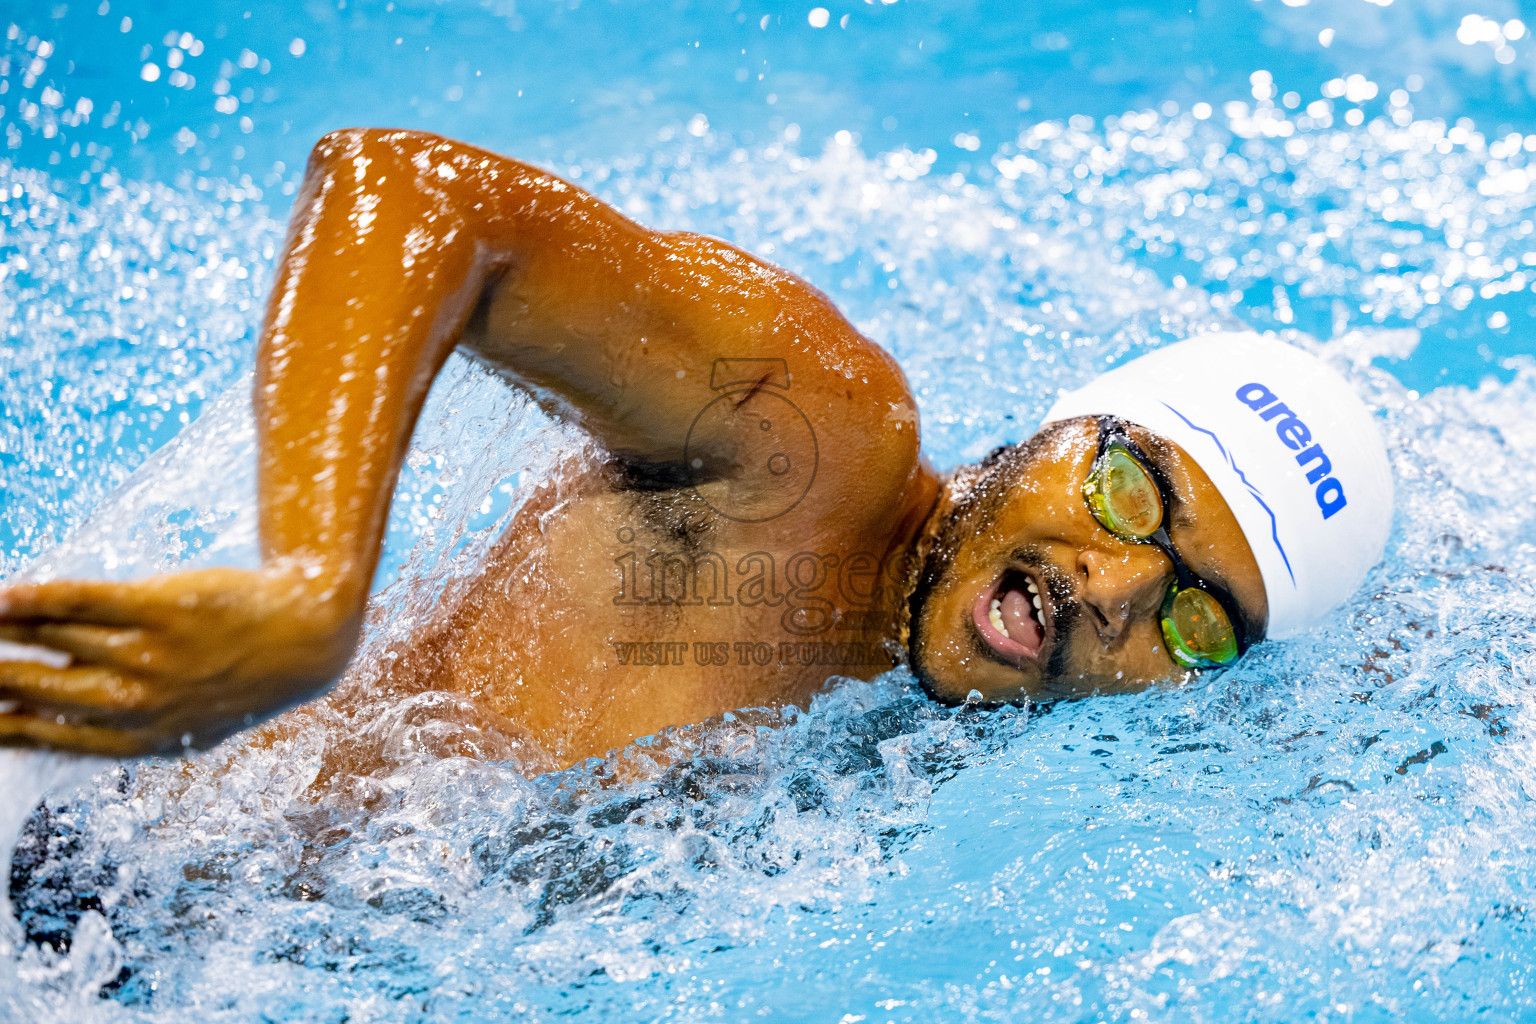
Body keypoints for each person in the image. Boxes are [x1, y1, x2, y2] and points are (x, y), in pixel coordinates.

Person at [0, 129, 1394, 765]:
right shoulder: (825, 437)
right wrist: (311, 583)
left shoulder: (929, 745)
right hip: (100, 848)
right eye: (1127, 487)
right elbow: (407, 193)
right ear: (1052, 427)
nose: (1114, 586)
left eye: (1201, 620)